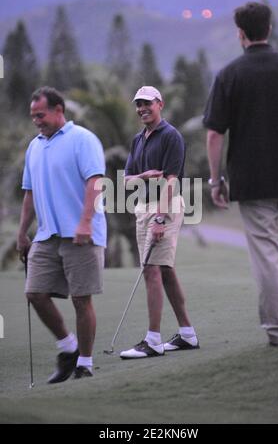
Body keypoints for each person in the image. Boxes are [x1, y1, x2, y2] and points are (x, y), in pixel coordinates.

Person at [204, 2, 278, 346]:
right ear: (269, 29)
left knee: (268, 257)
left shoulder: (229, 74)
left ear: (240, 34)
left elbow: (214, 134)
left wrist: (216, 181)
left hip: (252, 180)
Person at [17, 86, 106, 382]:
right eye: (33, 117)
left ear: (58, 110)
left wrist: (84, 222)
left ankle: (85, 363)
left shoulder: (82, 139)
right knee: (35, 292)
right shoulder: (34, 146)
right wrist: (22, 233)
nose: (36, 121)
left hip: (81, 234)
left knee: (82, 300)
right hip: (46, 235)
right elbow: (29, 194)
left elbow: (95, 181)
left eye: (40, 115)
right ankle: (69, 348)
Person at [120, 86, 199, 359]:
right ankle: (187, 335)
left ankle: (152, 341)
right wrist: (143, 176)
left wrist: (161, 218)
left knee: (152, 270)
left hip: (164, 207)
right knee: (164, 270)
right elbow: (126, 179)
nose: (142, 108)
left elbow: (171, 180)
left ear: (160, 104)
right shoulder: (138, 139)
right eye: (138, 104)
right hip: (142, 207)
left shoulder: (171, 136)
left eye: (147, 103)